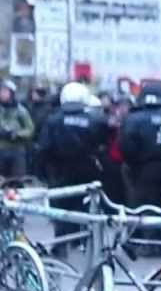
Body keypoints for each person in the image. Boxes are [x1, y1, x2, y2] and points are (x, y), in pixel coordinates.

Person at [36, 82, 110, 248]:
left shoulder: (53, 120)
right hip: (87, 170)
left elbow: (43, 148)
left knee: (61, 208)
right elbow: (103, 145)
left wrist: (42, 172)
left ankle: (61, 242)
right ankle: (81, 240)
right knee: (83, 206)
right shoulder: (95, 120)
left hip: (58, 171)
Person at [119, 83, 161, 251]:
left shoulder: (133, 119)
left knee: (139, 206)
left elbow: (126, 146)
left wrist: (133, 163)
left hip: (141, 169)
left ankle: (140, 243)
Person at [0, 79, 35, 180]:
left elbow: (30, 129)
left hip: (17, 151)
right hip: (1, 150)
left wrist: (16, 133)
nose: (2, 94)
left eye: (5, 91)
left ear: (11, 93)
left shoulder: (21, 111)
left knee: (17, 180)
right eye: (1, 91)